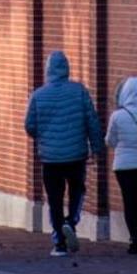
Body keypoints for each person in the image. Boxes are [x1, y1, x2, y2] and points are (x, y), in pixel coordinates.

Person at [23, 49, 104, 257]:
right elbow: (92, 121)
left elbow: (29, 125)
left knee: (54, 198)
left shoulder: (38, 96)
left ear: (48, 70)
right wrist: (96, 148)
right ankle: (71, 221)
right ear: (67, 68)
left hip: (50, 157)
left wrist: (44, 136)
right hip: (76, 154)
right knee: (77, 190)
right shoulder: (80, 92)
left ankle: (59, 241)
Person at [105, 75, 137, 255]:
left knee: (130, 201)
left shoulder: (117, 115)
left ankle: (135, 237)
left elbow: (110, 141)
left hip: (124, 166)